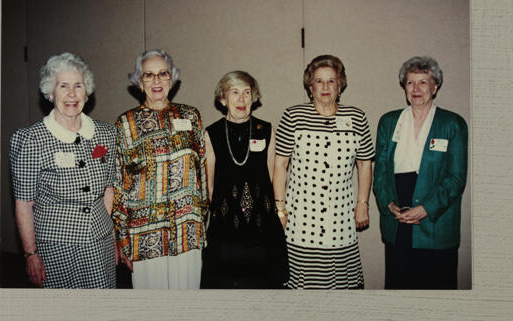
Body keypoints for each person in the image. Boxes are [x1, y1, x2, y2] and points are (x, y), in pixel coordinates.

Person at [9, 52, 117, 288]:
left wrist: (107, 233)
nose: (71, 94)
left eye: (78, 86)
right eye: (63, 86)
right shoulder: (31, 140)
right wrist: (30, 254)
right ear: (50, 91)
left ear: (87, 91)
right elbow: (24, 203)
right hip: (55, 247)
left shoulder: (106, 134)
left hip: (101, 245)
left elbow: (109, 189)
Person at [273, 55, 374, 289]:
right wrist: (280, 208)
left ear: (340, 86)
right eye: (319, 81)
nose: (326, 87)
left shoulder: (356, 117)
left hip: (341, 217)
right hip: (301, 218)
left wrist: (362, 204)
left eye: (332, 81)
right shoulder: (293, 116)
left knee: (340, 290)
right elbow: (280, 165)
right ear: (310, 87)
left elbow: (365, 164)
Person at [111, 49, 208, 289]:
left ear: (172, 79)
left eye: (163, 73)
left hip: (187, 229)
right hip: (144, 235)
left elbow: (202, 172)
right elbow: (118, 183)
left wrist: (202, 217)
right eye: (148, 75)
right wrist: (122, 238)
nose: (156, 80)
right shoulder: (126, 123)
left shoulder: (191, 116)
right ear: (138, 82)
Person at [373, 56, 468, 289]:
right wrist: (389, 205)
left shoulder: (452, 123)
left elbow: (456, 179)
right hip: (398, 222)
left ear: (435, 87)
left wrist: (425, 209)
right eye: (410, 83)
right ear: (404, 87)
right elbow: (381, 172)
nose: (416, 89)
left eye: (423, 82)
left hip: (435, 225)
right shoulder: (388, 122)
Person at [200, 71, 288, 289]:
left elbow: (272, 175)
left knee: (264, 289)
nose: (242, 99)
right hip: (226, 226)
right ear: (223, 99)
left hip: (262, 225)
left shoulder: (266, 129)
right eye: (235, 92)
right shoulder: (212, 133)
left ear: (253, 97)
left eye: (247, 93)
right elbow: (209, 184)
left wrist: (280, 211)